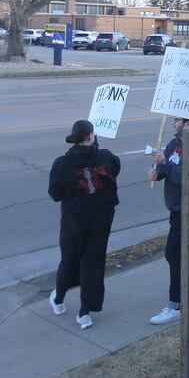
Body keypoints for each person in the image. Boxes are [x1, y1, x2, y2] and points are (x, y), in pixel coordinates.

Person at [48, 120, 121, 330]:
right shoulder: (105, 157)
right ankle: (84, 314)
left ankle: (59, 300)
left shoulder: (62, 164)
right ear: (91, 137)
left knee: (69, 261)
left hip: (74, 221)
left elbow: (55, 194)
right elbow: (115, 170)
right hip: (101, 219)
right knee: (92, 263)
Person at [148, 107, 189, 325]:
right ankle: (185, 298)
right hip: (175, 211)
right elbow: (167, 168)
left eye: (177, 120)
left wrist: (166, 163)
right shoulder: (174, 144)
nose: (173, 123)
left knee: (174, 255)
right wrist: (157, 171)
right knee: (179, 256)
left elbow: (187, 177)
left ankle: (175, 305)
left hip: (188, 212)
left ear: (188, 124)